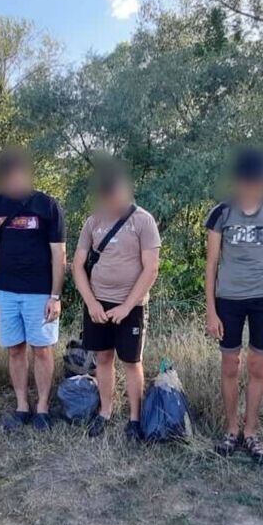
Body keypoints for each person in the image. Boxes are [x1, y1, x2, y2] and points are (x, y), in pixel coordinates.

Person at [203, 148, 263, 461]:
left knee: (257, 366)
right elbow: (212, 263)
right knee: (230, 365)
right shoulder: (221, 213)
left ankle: (251, 431)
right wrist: (211, 310)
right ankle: (231, 429)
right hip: (228, 299)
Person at [71, 162, 161, 439]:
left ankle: (134, 419)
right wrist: (92, 303)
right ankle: (105, 412)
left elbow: (151, 269)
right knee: (103, 358)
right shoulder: (93, 221)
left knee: (131, 361)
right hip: (98, 304)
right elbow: (77, 265)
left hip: (131, 306)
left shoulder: (143, 221)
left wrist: (127, 306)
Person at [0, 149, 66, 432]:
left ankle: (42, 407)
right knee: (15, 350)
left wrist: (55, 296)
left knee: (42, 350)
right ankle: (21, 406)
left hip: (40, 292)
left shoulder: (47, 205)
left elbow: (59, 254)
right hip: (6, 292)